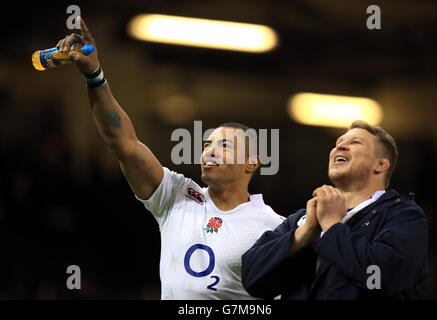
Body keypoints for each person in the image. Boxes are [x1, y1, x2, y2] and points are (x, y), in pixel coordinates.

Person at [56, 17, 284, 299]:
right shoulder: (176, 197)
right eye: (206, 144)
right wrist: (94, 76)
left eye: (224, 145)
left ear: (252, 162)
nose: (209, 151)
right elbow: (123, 143)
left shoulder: (275, 227)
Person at [241, 120, 428, 299]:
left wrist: (332, 226)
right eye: (338, 143)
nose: (340, 146)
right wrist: (304, 233)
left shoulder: (403, 215)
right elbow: (252, 280)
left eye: (355, 142)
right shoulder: (303, 219)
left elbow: (382, 279)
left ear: (380, 165)